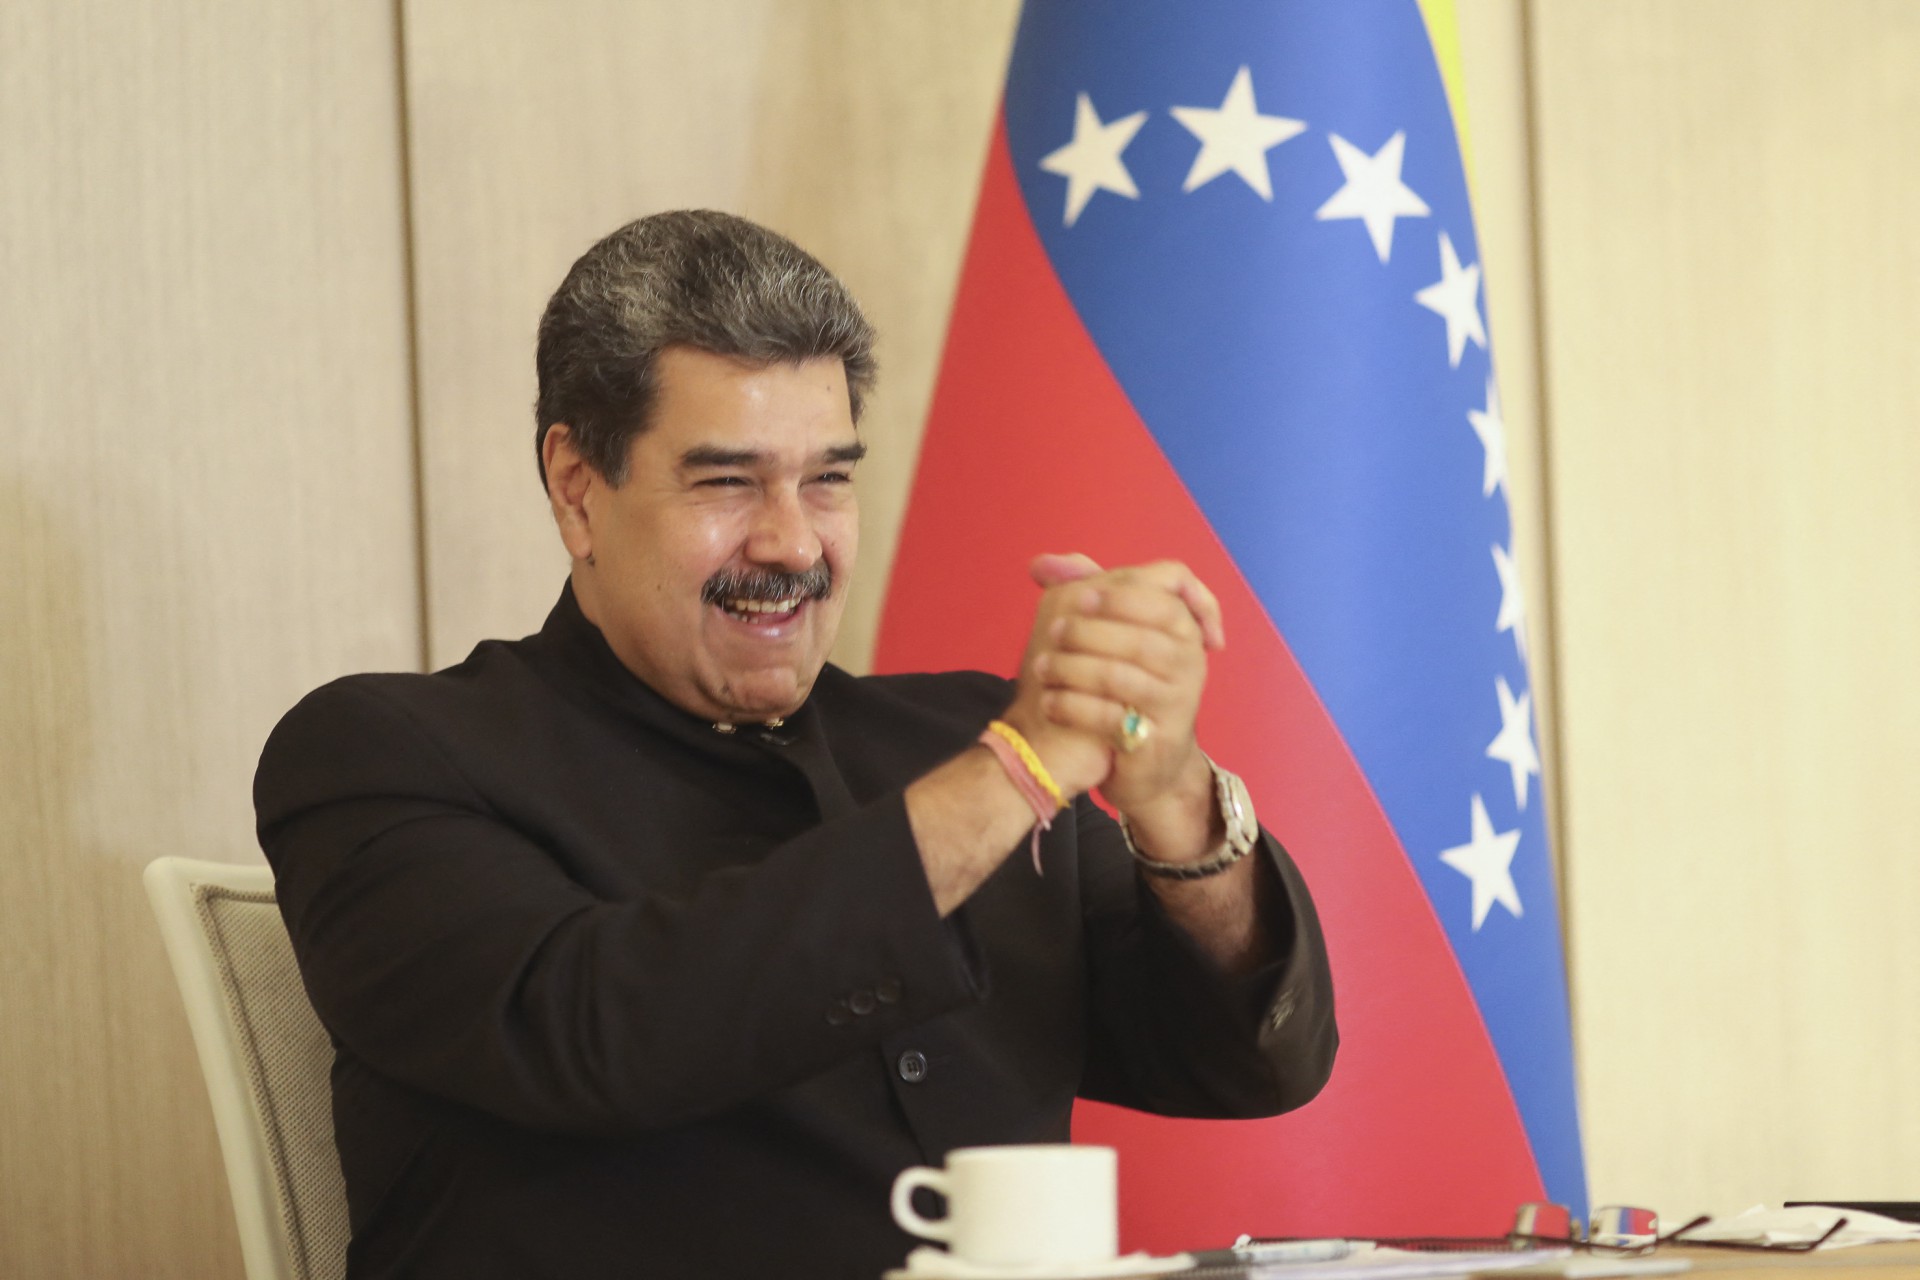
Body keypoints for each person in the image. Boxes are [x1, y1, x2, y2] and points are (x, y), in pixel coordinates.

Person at [255, 210, 1337, 1280]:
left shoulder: (954, 737)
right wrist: (1019, 771)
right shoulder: (380, 754)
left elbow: (1253, 1058)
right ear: (578, 488)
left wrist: (1172, 798)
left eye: (828, 478)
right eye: (727, 481)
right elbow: (594, 1033)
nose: (791, 540)